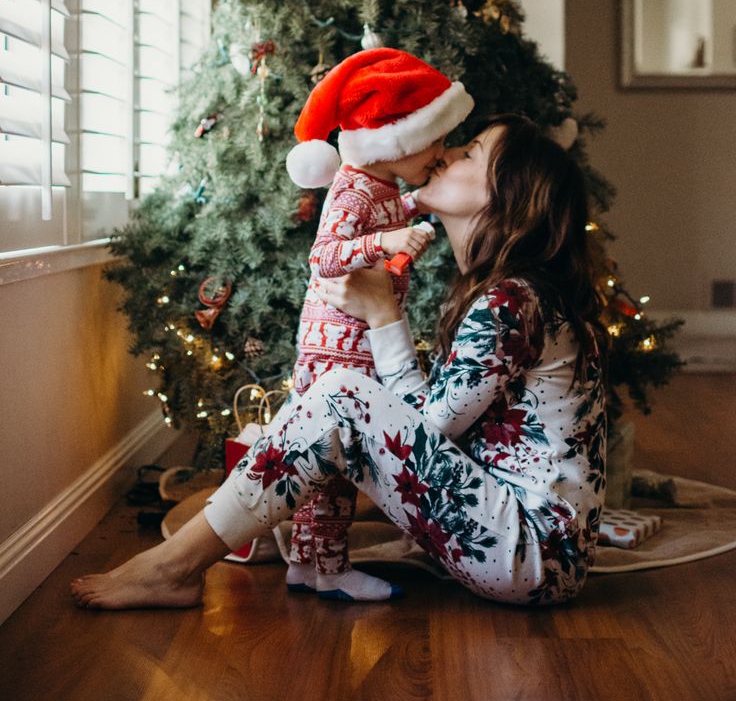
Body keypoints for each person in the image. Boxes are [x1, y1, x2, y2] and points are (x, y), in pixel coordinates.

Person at [70, 114, 607, 611]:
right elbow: (429, 432)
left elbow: (429, 429)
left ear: (507, 195)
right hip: (504, 540)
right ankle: (276, 543)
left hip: (533, 554)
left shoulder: (514, 301)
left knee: (342, 393)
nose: (447, 153)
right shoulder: (494, 293)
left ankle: (174, 566)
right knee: (341, 397)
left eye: (471, 153)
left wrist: (382, 315)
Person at [283, 47, 473, 601]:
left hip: (360, 336)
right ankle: (330, 568)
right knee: (334, 462)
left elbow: (401, 206)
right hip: (338, 345)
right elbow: (324, 256)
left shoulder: (384, 189)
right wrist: (384, 242)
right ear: (395, 142)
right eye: (432, 140)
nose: (439, 152)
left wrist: (416, 208)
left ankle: (305, 563)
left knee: (328, 461)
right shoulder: (351, 187)